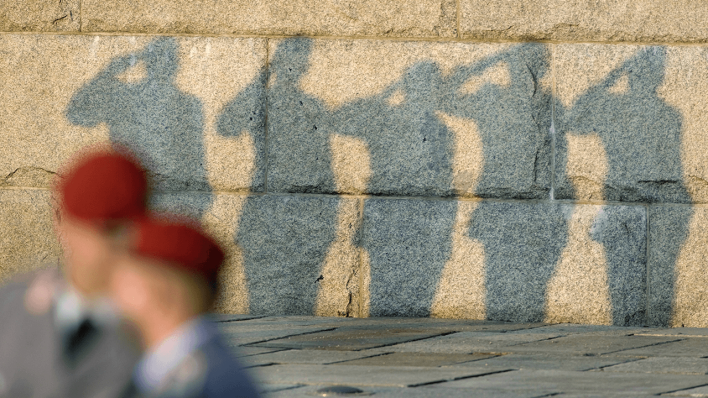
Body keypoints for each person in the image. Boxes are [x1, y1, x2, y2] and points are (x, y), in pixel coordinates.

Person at [0, 148, 148, 397]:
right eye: (91, 227)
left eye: (116, 229)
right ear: (59, 221)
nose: (104, 246)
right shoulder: (11, 303)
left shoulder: (158, 323)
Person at [110, 215, 260, 398]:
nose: (112, 294)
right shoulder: (174, 370)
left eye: (124, 281)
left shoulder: (197, 385)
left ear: (161, 292)